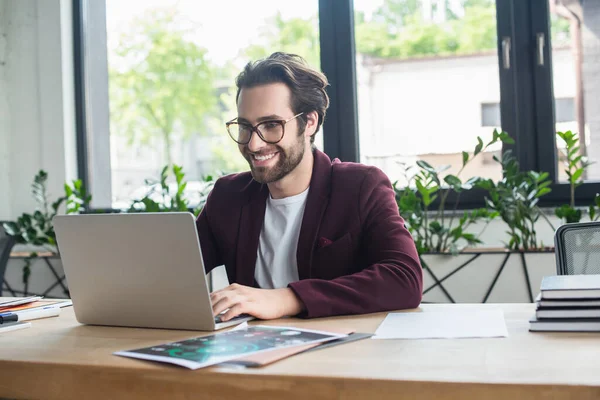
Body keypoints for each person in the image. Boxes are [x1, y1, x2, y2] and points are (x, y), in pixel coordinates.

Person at [196, 52, 422, 322]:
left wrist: (287, 298)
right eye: (245, 127)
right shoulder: (228, 196)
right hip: (253, 351)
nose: (253, 145)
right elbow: (173, 274)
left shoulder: (360, 186)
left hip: (341, 353)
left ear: (310, 122)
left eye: (271, 125)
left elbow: (404, 278)